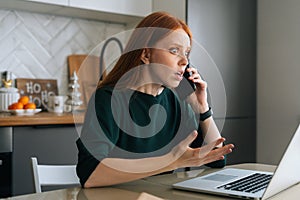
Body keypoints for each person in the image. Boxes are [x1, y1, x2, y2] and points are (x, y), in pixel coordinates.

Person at [76, 11, 234, 188]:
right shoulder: (108, 99)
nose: (184, 61)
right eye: (174, 51)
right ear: (145, 55)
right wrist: (171, 161)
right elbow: (91, 175)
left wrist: (202, 109)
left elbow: (217, 159)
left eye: (187, 53)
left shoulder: (177, 102)